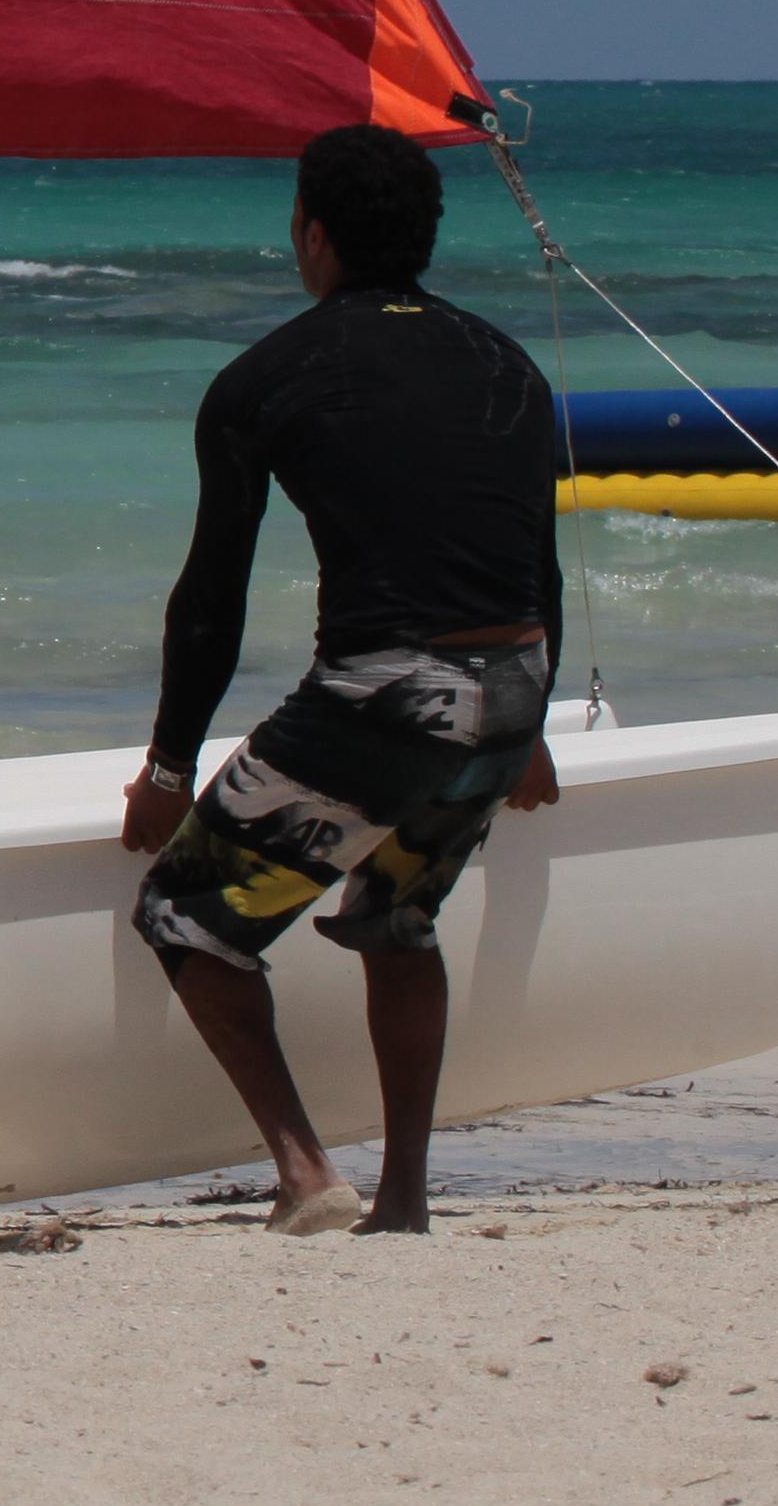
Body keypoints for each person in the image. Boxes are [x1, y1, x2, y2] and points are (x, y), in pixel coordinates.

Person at [121, 124, 566, 1235]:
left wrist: (169, 767)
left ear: (312, 234)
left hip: (390, 697)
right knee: (394, 919)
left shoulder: (263, 379)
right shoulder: (508, 360)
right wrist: (534, 726)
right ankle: (406, 1199)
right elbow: (534, 562)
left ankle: (307, 1173)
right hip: (512, 684)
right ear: (423, 233)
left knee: (185, 914)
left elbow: (211, 598)